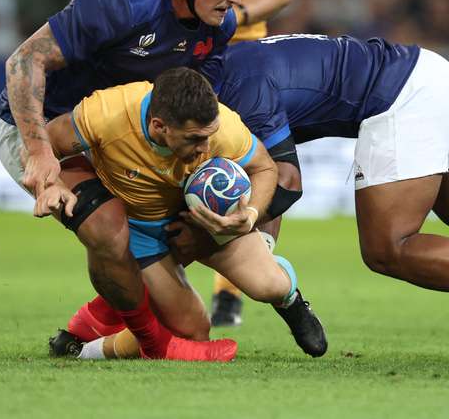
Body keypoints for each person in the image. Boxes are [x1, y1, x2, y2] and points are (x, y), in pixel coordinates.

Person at [192, 33, 449, 366]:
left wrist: (247, 237)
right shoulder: (232, 67)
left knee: (388, 247)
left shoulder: (238, 93)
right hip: (430, 72)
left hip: (398, 98)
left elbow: (285, 179)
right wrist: (262, 250)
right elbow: (267, 171)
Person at [79, 0, 296, 328]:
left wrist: (230, 18)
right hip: (162, 59)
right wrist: (80, 11)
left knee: (249, 165)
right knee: (161, 178)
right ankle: (144, 285)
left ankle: (234, 287)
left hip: (234, 53)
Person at [0, 0, 248, 361]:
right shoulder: (118, 3)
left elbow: (199, 110)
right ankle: (155, 347)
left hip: (121, 140)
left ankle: (91, 326)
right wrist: (38, 154)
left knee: (190, 309)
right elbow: (24, 61)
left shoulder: (217, 28)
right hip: (43, 128)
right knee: (109, 232)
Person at [39, 68, 326, 360]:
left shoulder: (223, 126)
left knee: (270, 286)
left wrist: (250, 216)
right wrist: (51, 183)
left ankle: (292, 303)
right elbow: (44, 143)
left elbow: (265, 168)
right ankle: (85, 353)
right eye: (193, 138)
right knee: (192, 331)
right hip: (142, 232)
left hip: (206, 222)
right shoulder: (107, 113)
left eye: (208, 136)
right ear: (158, 125)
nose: (204, 148)